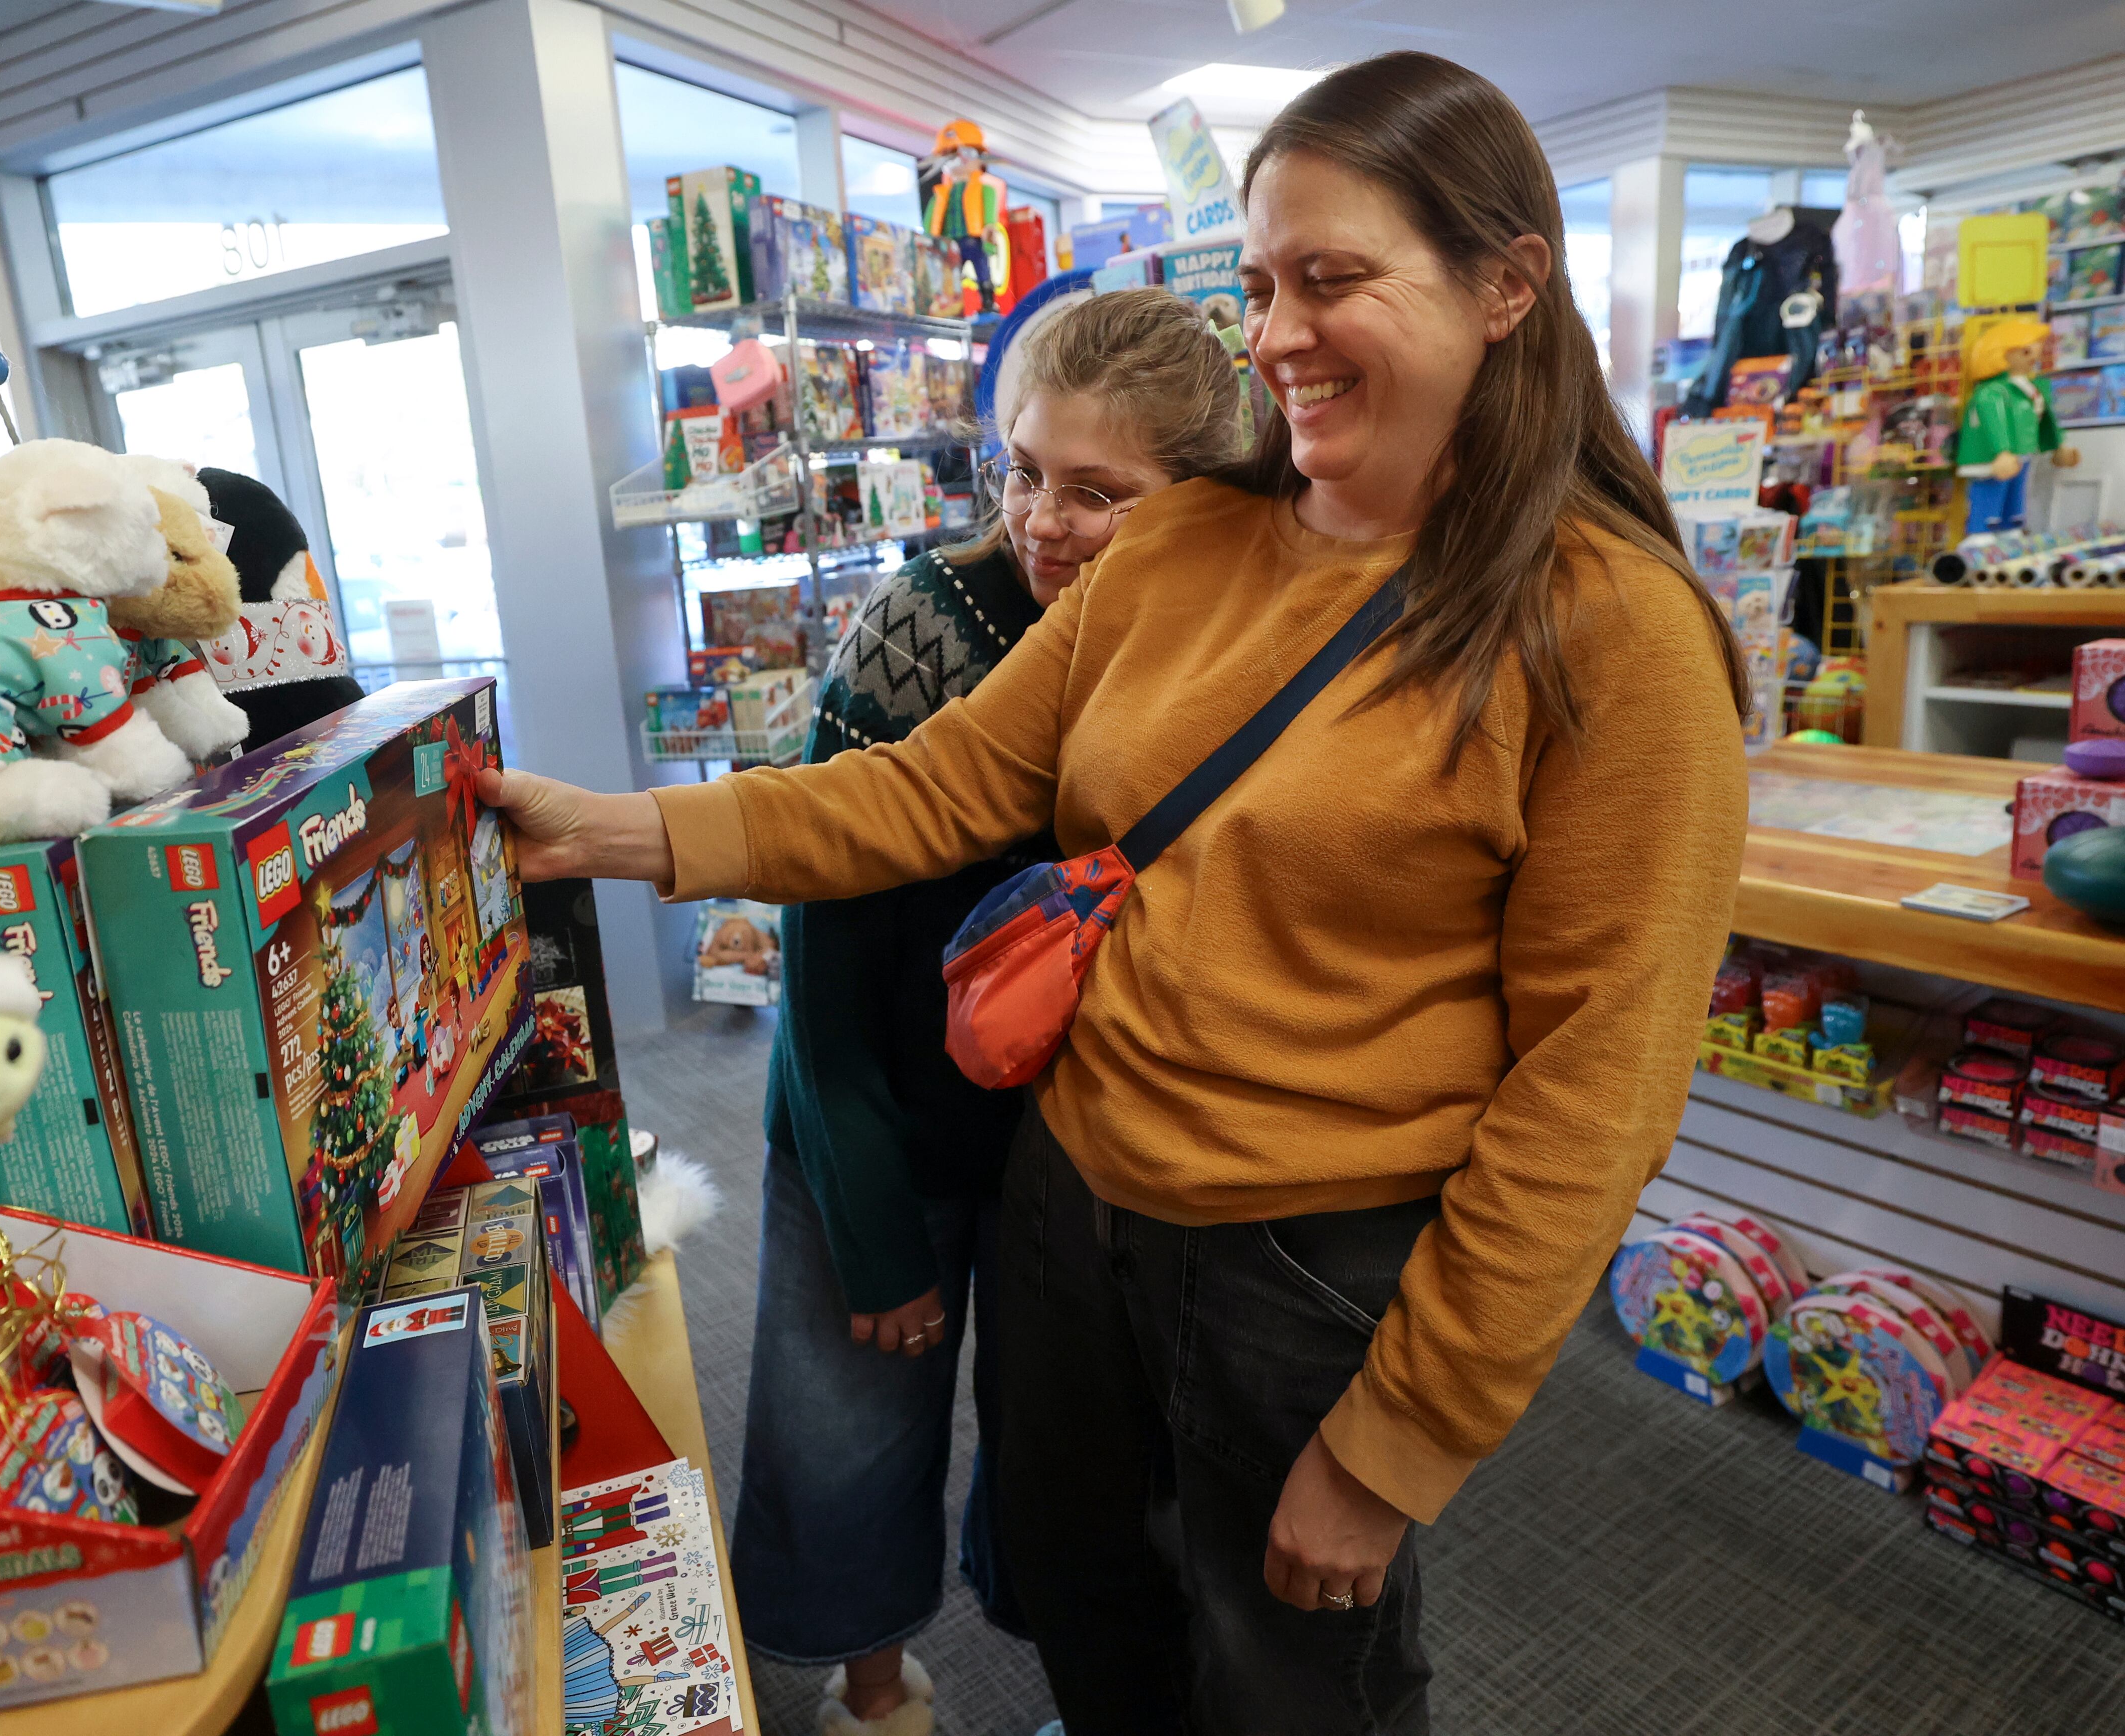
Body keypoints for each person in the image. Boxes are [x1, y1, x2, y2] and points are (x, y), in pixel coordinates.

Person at [485, 50, 1750, 1736]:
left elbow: (1596, 1087)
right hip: (1069, 1223)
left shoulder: (1610, 628)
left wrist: (1399, 1444)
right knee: (1095, 1632)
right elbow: (932, 789)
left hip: (1311, 1281)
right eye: (1260, 285)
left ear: (1509, 282)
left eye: (1333, 278)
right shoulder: (1181, 551)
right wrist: (623, 832)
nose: (1280, 335)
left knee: (1294, 1689)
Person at [734, 290, 1246, 1736]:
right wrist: (877, 1224)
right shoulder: (922, 626)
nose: (1044, 519)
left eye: (1102, 492)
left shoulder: (1218, 645)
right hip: (875, 1121)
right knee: (847, 1440)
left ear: (1203, 501)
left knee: (1064, 1470)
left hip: (1069, 1162)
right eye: (1023, 471)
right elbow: (825, 962)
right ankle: (877, 1697)